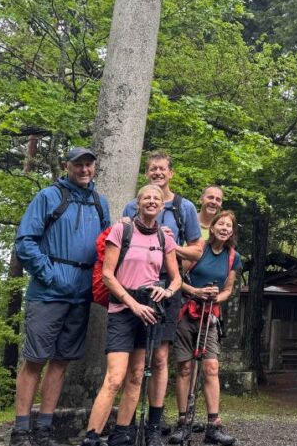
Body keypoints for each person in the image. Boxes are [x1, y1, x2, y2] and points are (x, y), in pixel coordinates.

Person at [12, 147, 111, 446]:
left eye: (88, 165)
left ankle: (44, 427)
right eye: (78, 165)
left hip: (81, 294)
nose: (84, 170)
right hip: (48, 292)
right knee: (34, 359)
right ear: (67, 166)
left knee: (61, 360)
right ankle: (21, 429)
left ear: (94, 168)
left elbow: (108, 246)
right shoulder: (48, 197)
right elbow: (25, 241)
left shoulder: (99, 203)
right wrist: (50, 274)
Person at [81, 185, 184, 446]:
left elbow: (176, 278)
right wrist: (131, 303)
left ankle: (122, 434)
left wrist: (167, 292)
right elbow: (107, 274)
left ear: (162, 206)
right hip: (123, 311)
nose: (151, 201)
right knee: (115, 377)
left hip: (149, 312)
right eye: (146, 198)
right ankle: (92, 436)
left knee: (137, 374)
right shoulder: (122, 230)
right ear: (137, 204)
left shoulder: (165, 238)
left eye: (156, 199)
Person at [121, 151, 204, 440]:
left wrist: (170, 246)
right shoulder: (133, 205)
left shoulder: (185, 208)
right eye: (152, 168)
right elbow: (122, 245)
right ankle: (128, 424)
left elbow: (196, 250)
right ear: (147, 173)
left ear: (171, 173)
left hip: (169, 287)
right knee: (134, 359)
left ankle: (155, 425)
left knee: (159, 357)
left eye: (162, 169)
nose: (157, 172)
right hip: (136, 288)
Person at [169, 210, 242, 446]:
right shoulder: (199, 248)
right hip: (186, 312)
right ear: (212, 227)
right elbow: (179, 278)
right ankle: (183, 421)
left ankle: (213, 424)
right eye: (220, 224)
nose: (224, 228)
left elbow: (228, 290)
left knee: (211, 367)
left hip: (210, 316)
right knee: (185, 368)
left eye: (228, 226)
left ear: (232, 231)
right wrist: (197, 292)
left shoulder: (233, 257)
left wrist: (216, 298)